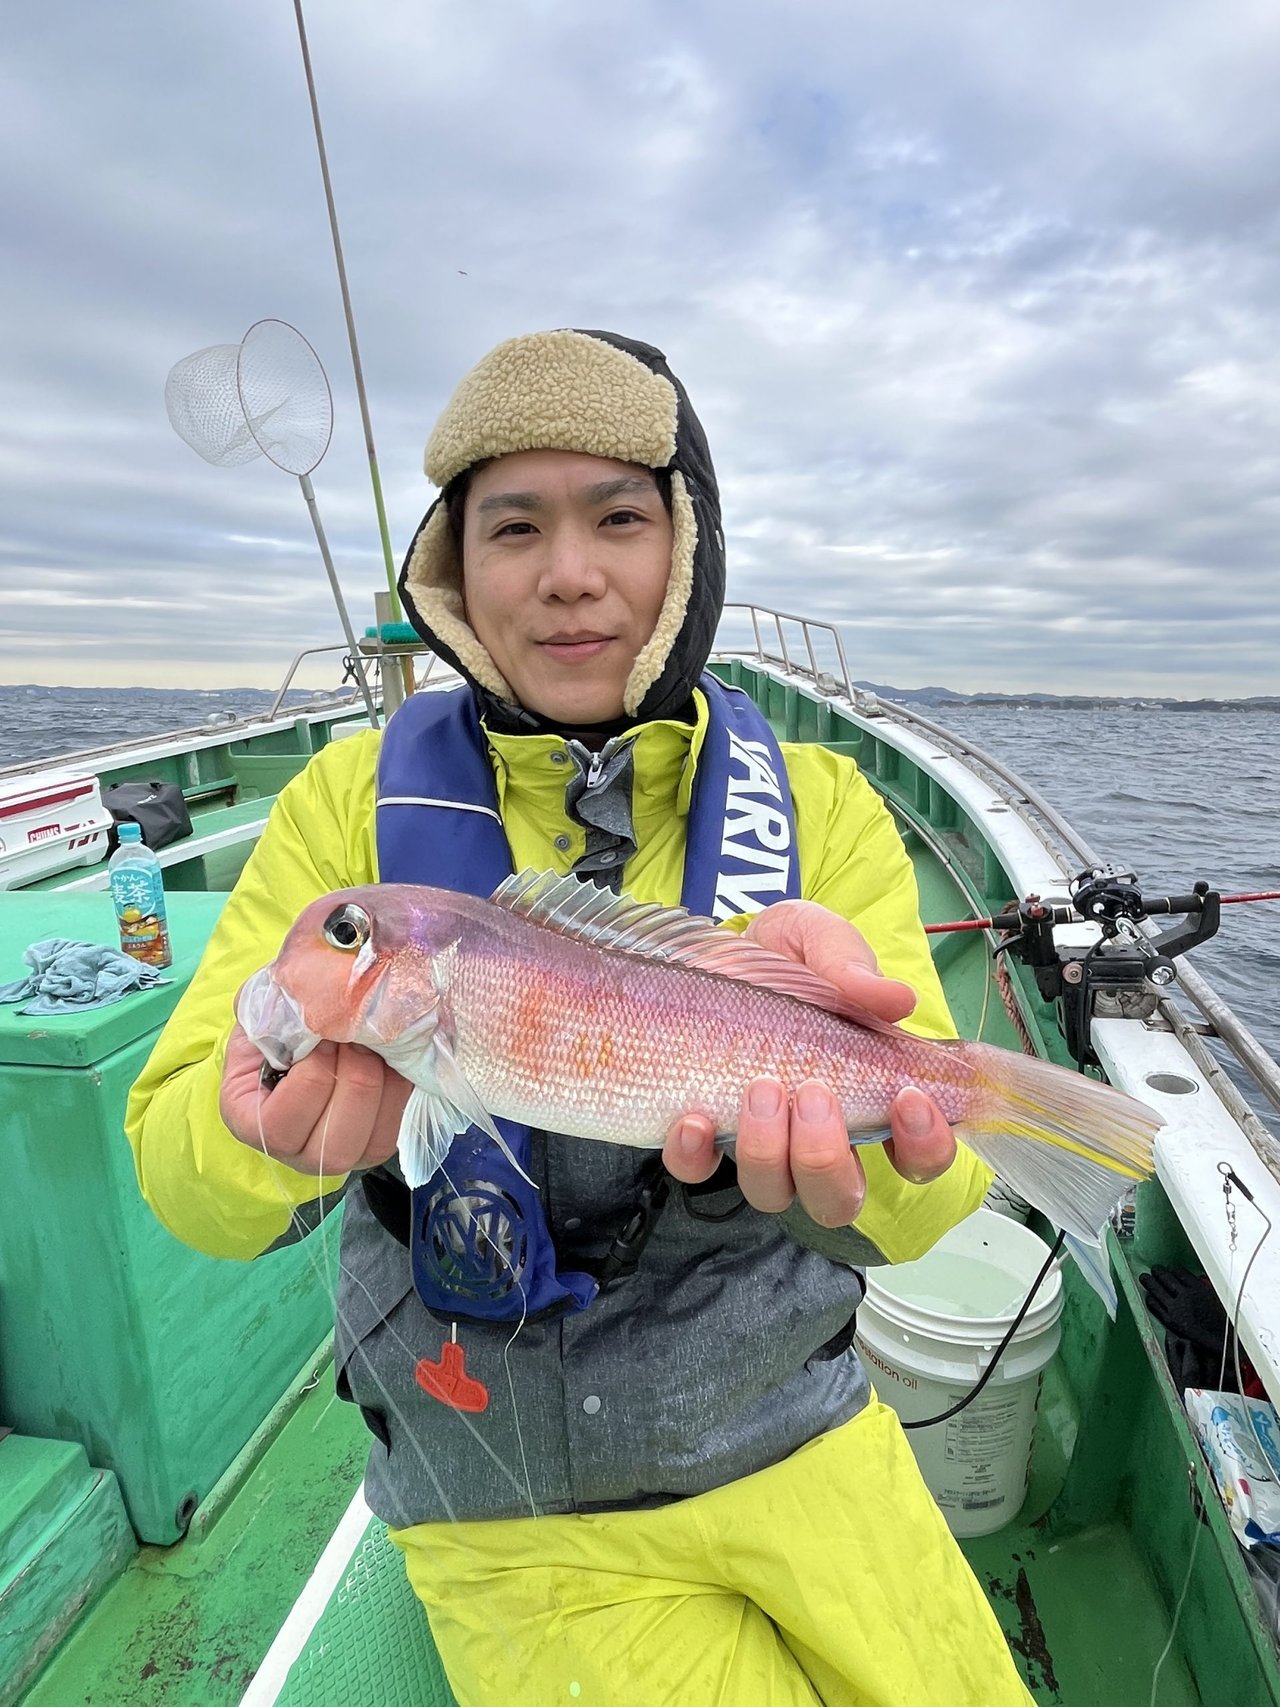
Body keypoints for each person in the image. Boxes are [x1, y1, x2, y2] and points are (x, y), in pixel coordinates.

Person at [127, 329, 1034, 1705]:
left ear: (690, 549)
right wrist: (256, 1128)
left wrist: (883, 1138)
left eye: (620, 518)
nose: (567, 574)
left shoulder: (826, 809)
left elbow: (927, 1211)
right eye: (513, 528)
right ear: (453, 569)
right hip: (509, 1489)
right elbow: (180, 1172)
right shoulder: (342, 810)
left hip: (794, 1428)